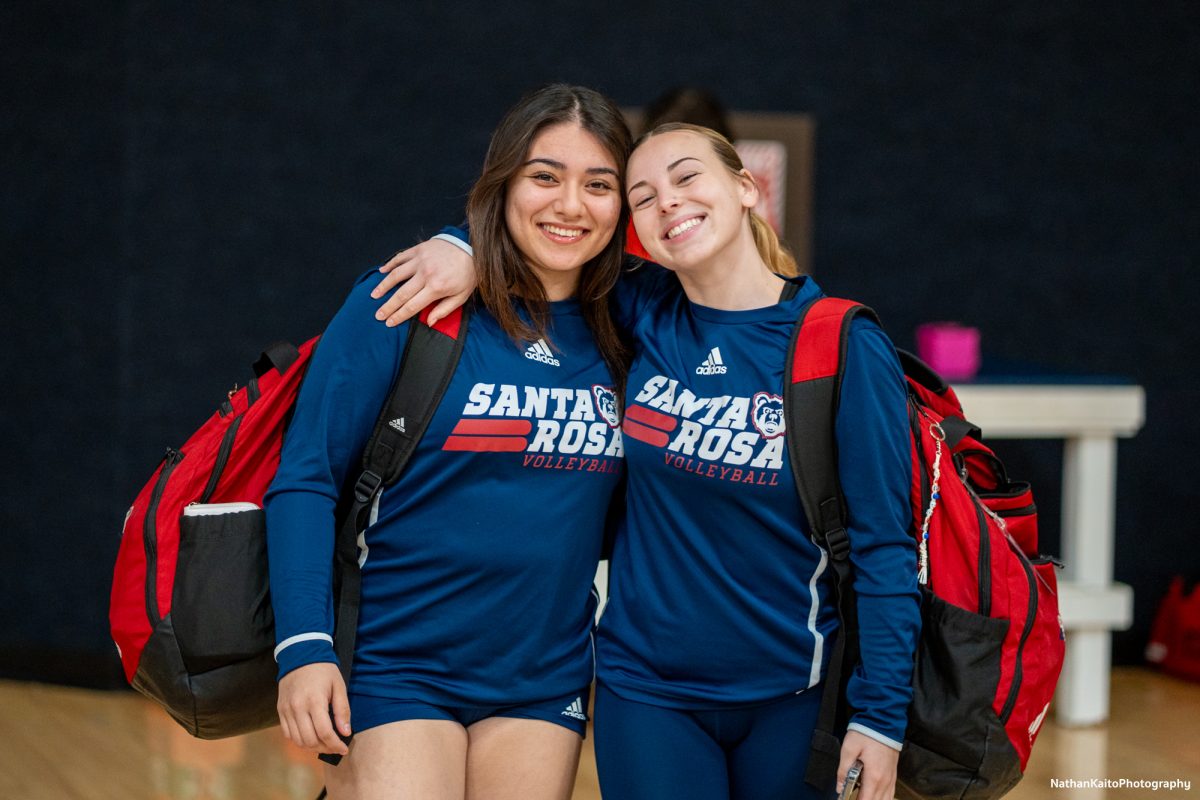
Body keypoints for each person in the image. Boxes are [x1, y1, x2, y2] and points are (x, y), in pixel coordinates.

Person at [373, 122, 920, 800]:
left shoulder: (838, 341)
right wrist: (465, 248)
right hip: (645, 697)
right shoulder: (638, 313)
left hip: (793, 695)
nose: (669, 203)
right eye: (642, 196)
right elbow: (546, 246)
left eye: (688, 178)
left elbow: (886, 548)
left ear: (747, 187)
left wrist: (880, 718)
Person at [265, 83, 631, 800]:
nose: (569, 205)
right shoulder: (408, 298)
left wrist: (466, 242)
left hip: (542, 678)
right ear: (503, 183)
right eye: (544, 177)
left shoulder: (635, 325)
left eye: (599, 184)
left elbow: (702, 235)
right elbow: (307, 474)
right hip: (395, 663)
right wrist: (304, 648)